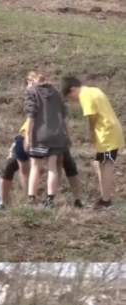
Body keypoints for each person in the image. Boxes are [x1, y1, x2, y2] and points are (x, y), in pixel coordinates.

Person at [62, 76, 124, 209]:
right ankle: (104, 197)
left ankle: (106, 200)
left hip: (107, 133)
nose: (73, 101)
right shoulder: (94, 90)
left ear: (72, 90)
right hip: (107, 132)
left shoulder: (85, 96)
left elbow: (91, 117)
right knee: (100, 164)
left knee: (106, 165)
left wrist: (90, 133)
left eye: (70, 97)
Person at [24, 71, 69, 208]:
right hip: (57, 134)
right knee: (52, 168)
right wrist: (67, 133)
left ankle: (31, 198)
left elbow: (31, 116)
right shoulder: (57, 93)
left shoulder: (32, 92)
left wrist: (27, 136)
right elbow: (63, 115)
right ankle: (50, 200)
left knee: (35, 167)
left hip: (39, 135)